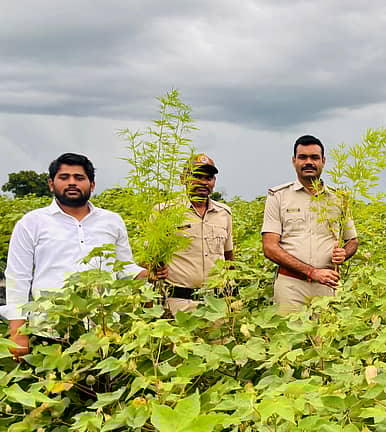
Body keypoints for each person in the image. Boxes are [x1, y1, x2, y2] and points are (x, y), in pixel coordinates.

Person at [4, 152, 149, 359]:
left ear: (92, 184)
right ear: (51, 184)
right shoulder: (32, 223)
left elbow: (124, 268)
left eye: (79, 178)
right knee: (53, 387)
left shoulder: (112, 222)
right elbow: (18, 278)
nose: (72, 183)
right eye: (64, 177)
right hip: (50, 328)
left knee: (104, 387)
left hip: (104, 328)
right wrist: (17, 332)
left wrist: (148, 272)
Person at [261, 135, 358, 311]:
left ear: (323, 161)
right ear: (294, 161)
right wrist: (312, 272)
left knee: (325, 337)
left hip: (328, 285)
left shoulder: (339, 198)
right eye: (303, 157)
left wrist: (344, 253)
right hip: (291, 285)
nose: (309, 162)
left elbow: (352, 241)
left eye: (314, 157)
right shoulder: (279, 196)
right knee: (290, 336)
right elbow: (270, 247)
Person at [158, 154, 234, 314]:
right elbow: (149, 262)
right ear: (183, 178)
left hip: (217, 305)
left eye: (209, 178)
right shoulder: (164, 212)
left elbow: (228, 258)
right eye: (197, 176)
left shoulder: (224, 214)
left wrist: (231, 294)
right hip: (178, 304)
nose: (203, 182)